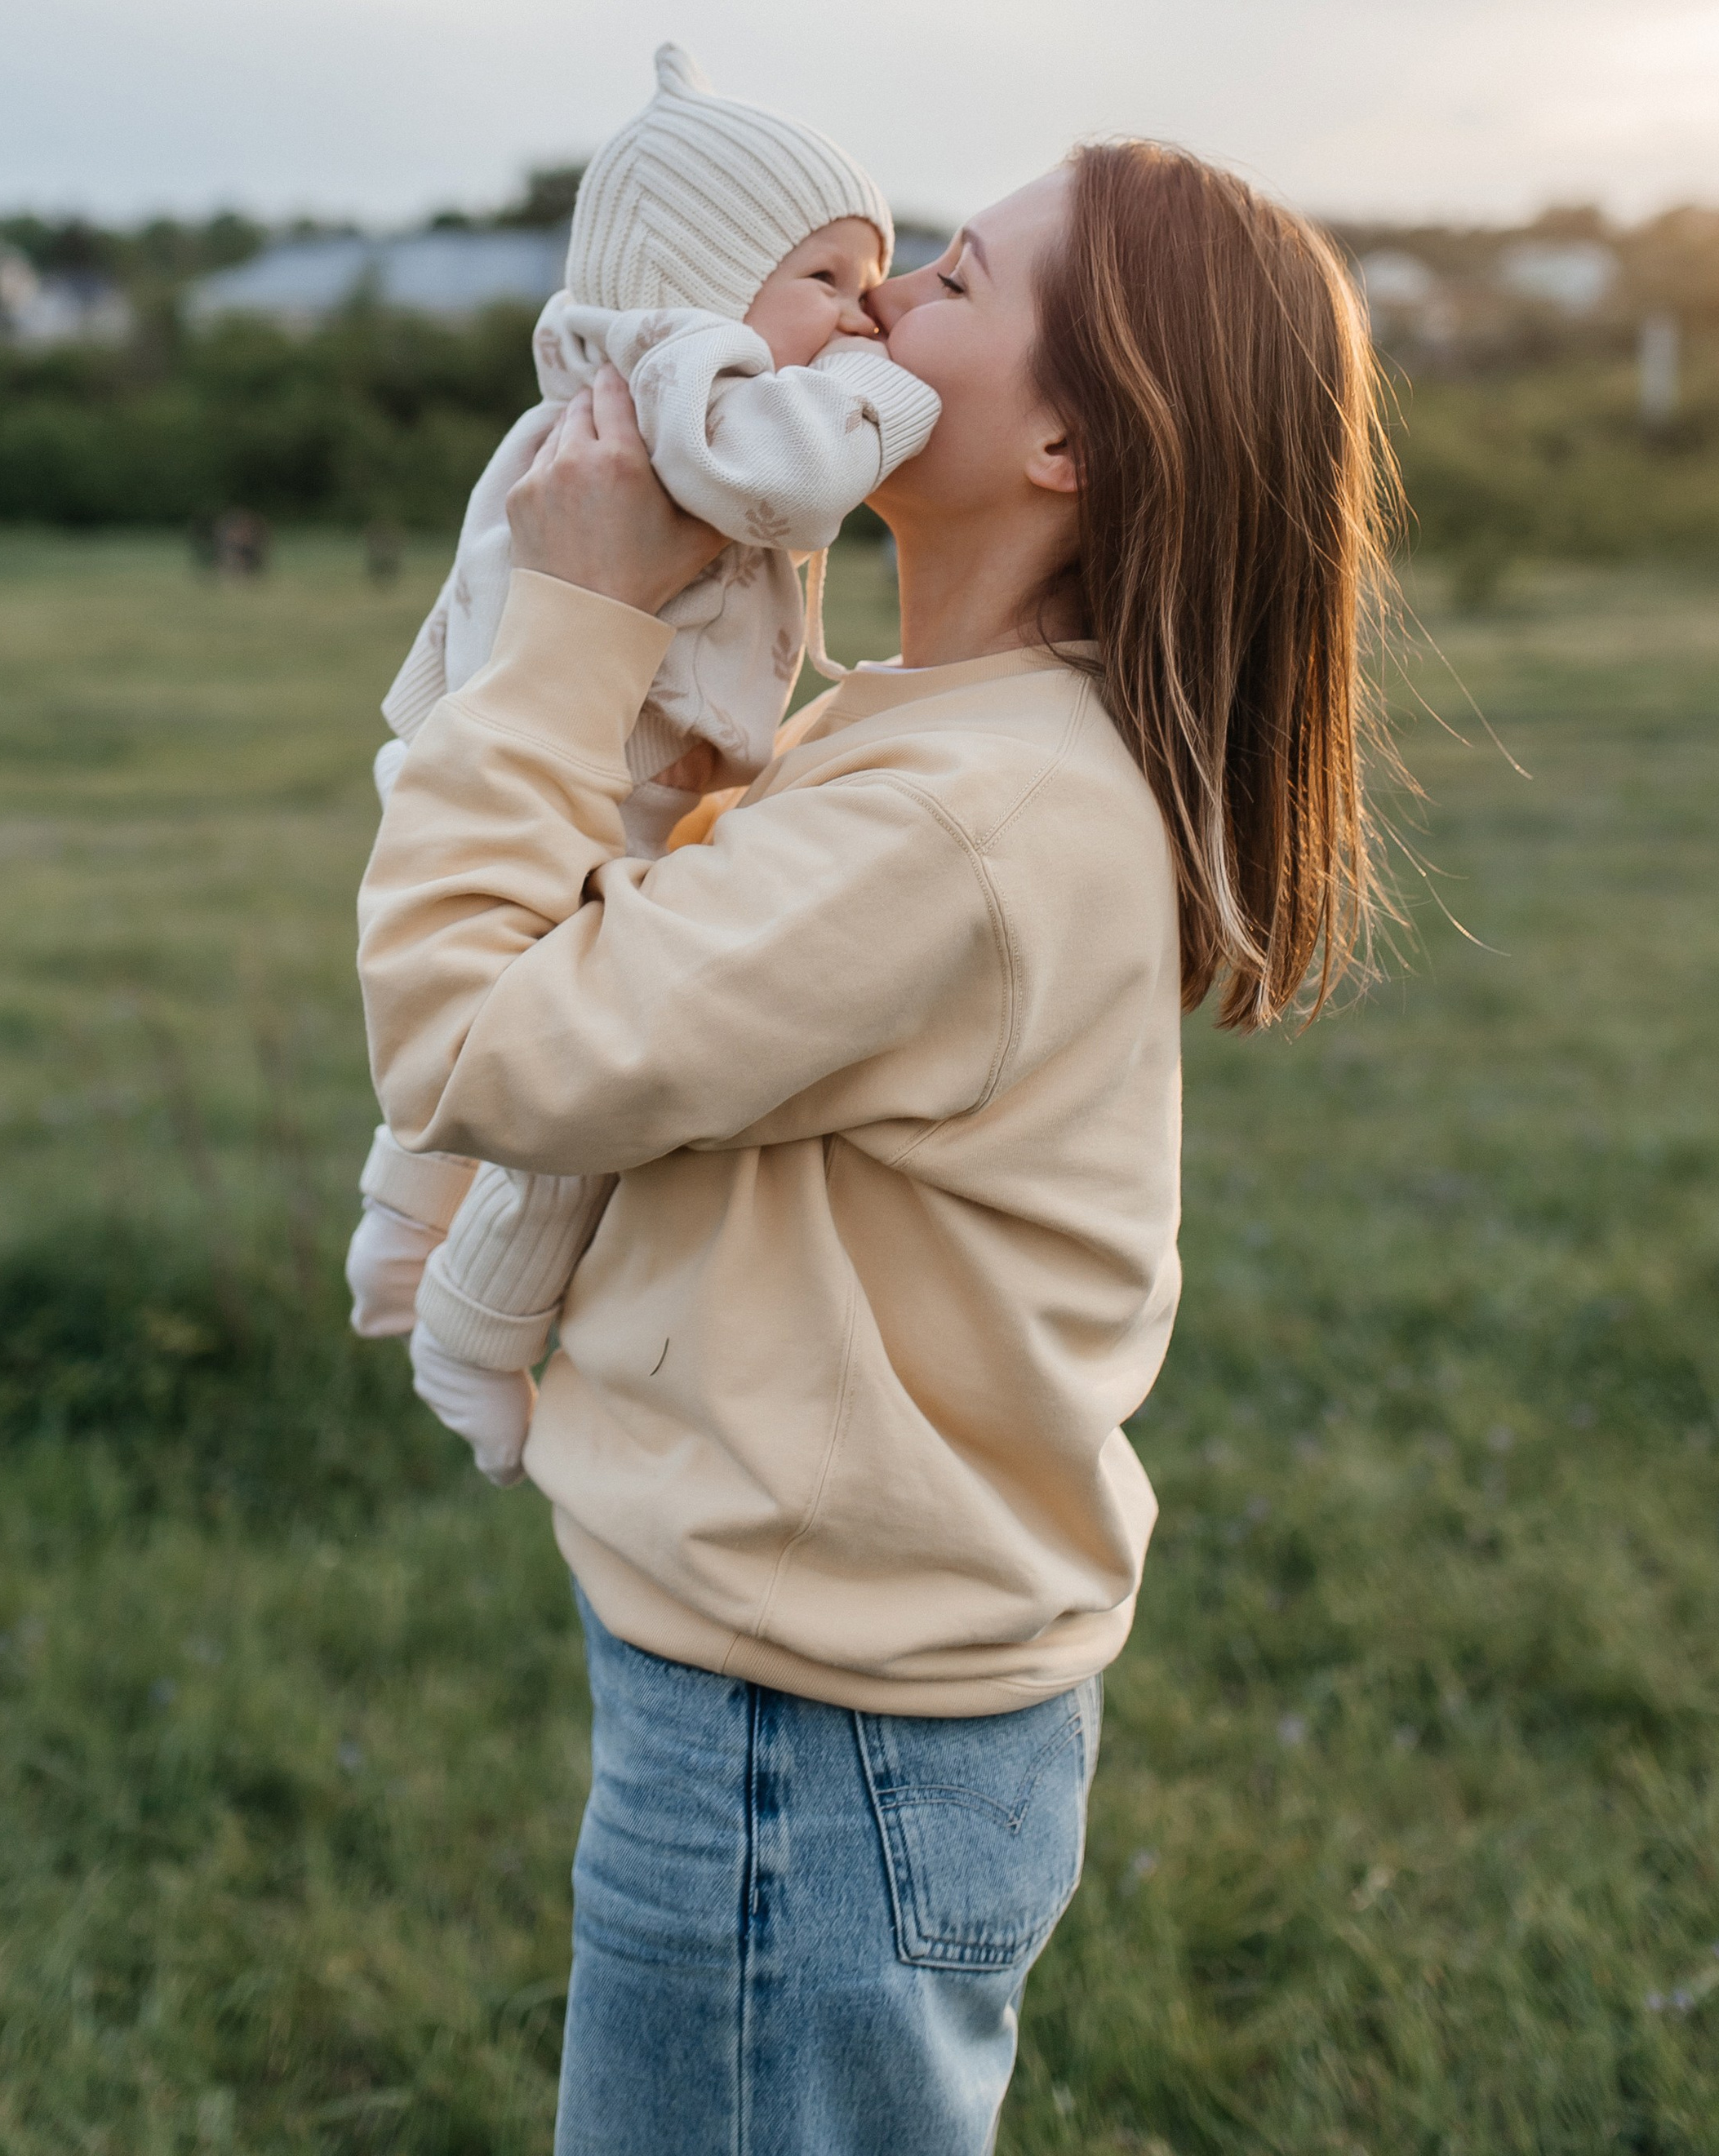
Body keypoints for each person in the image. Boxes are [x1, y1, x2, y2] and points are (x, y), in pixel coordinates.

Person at [356, 140, 1395, 2156]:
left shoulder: (957, 818)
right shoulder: (916, 729)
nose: (876, 302)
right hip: (816, 1702)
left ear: (1074, 438)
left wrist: (568, 619)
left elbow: (469, 1045)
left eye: (954, 276)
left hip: (807, 1741)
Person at [345, 44, 940, 1484]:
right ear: (710, 274)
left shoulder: (660, 379)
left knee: (465, 1051)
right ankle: (471, 1340)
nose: (869, 313)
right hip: (592, 784)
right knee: (558, 1124)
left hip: (560, 762)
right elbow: (790, 481)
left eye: (880, 279)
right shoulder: (688, 374)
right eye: (832, 279)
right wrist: (894, 392)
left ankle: (394, 1229)